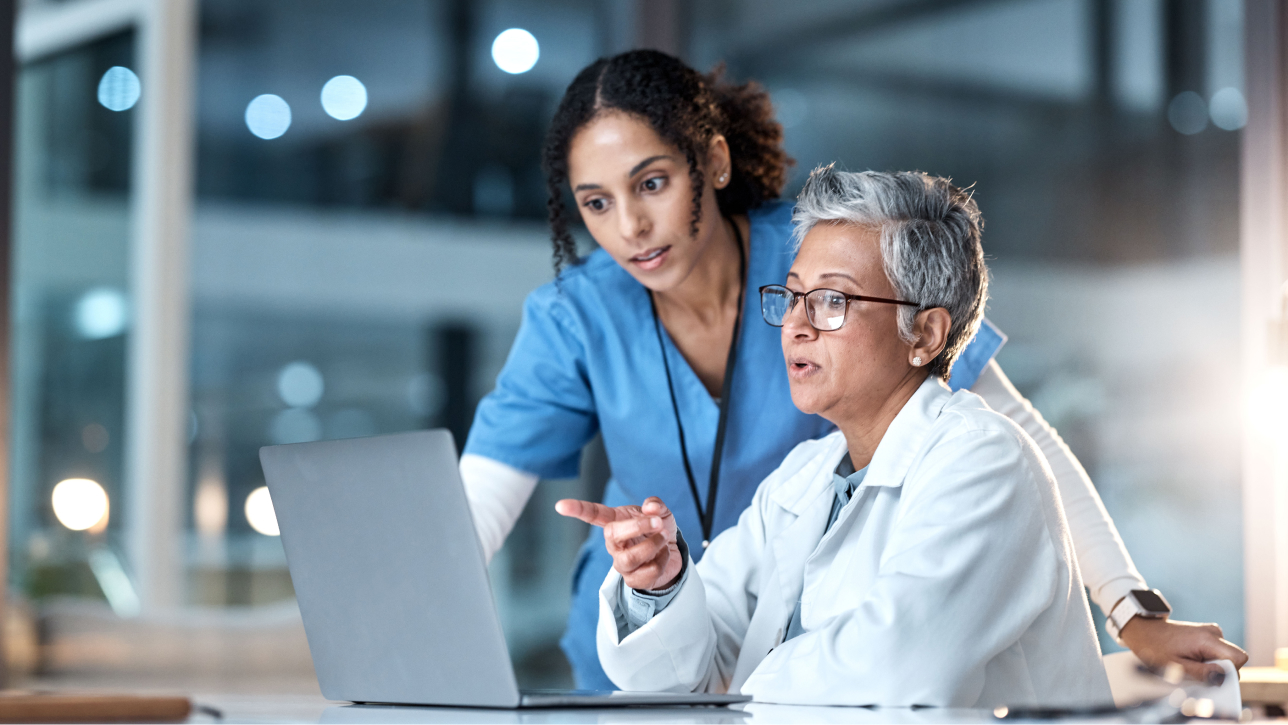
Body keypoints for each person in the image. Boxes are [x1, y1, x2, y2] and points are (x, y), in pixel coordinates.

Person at [460, 49, 1247, 690]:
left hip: (802, 671)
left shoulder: (827, 257)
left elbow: (1020, 437)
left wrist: (1129, 607)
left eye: (652, 184)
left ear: (714, 163)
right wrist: (658, 583)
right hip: (696, 647)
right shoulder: (588, 319)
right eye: (594, 203)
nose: (629, 227)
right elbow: (472, 518)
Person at [557, 167, 1112, 706]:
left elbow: (898, 667)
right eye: (794, 296)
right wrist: (661, 587)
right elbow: (691, 666)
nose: (797, 324)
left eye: (832, 300)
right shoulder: (807, 474)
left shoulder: (984, 461)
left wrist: (739, 690)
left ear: (924, 332)